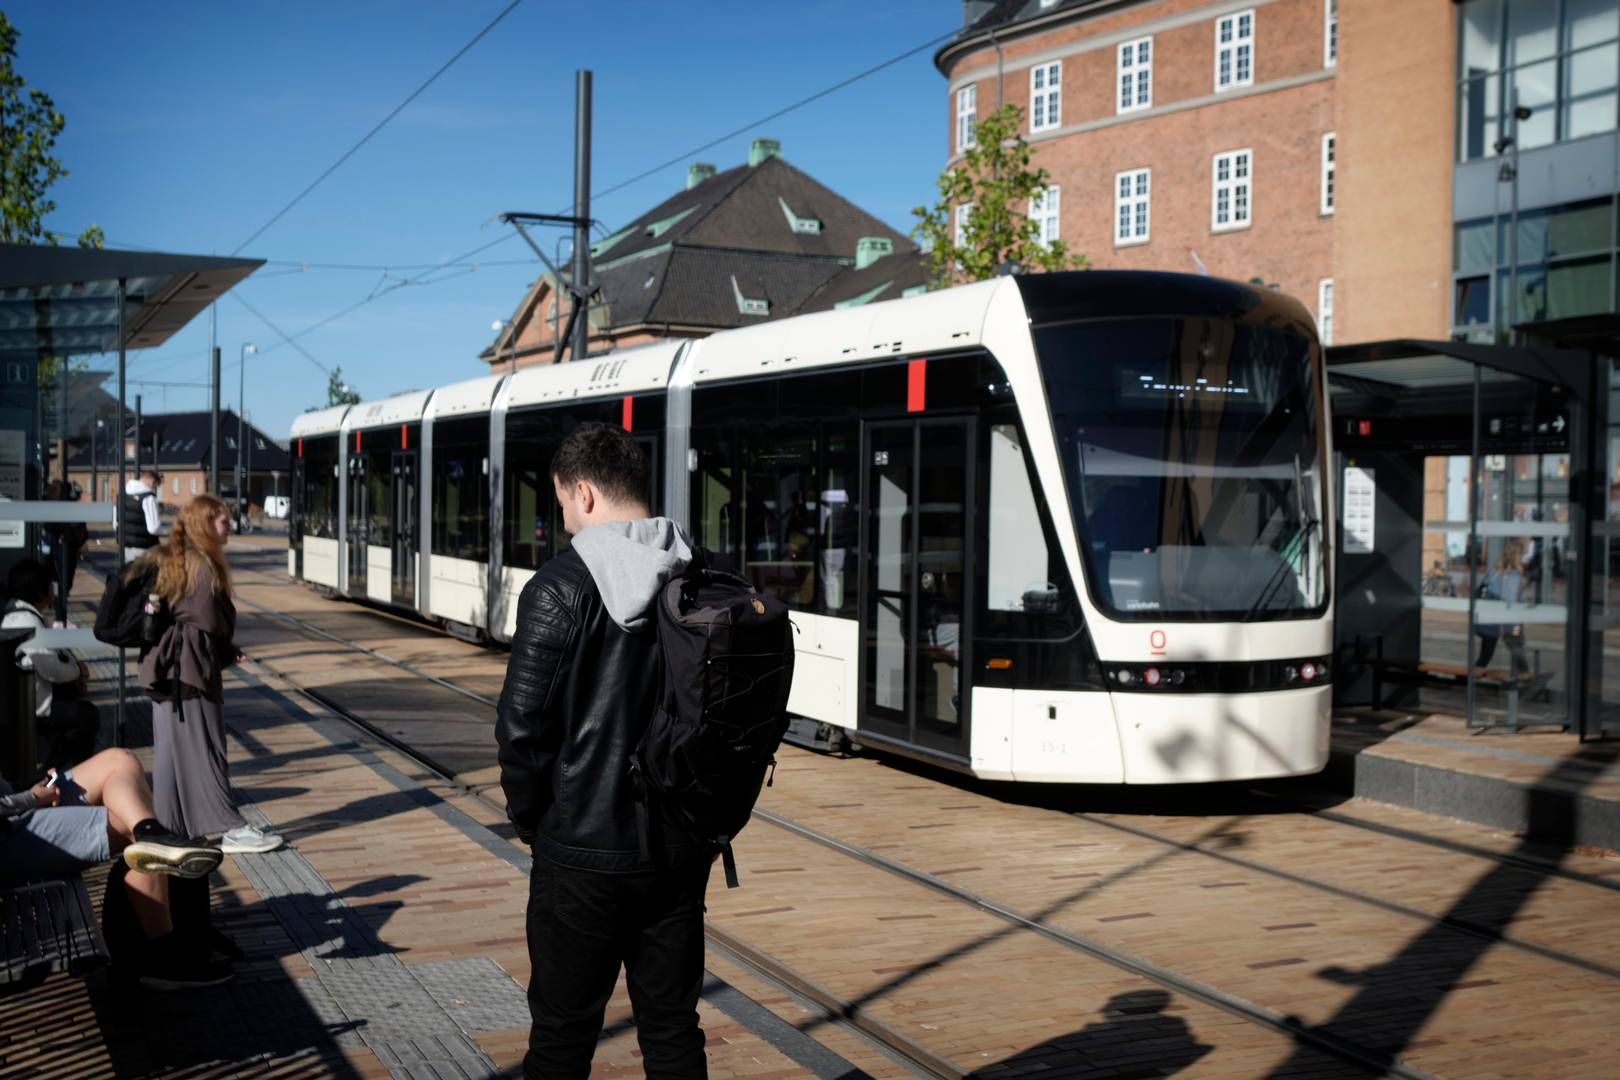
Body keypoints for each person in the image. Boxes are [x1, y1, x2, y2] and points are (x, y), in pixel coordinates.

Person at [497, 423, 713, 1079]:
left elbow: (521, 730)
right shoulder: (704, 576)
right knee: (673, 1030)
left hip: (582, 854)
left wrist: (537, 821)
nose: (565, 519)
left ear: (584, 493)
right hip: (678, 848)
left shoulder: (558, 588)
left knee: (562, 1037)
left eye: (563, 502)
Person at [0, 747, 232, 988]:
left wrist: (30, 788)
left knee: (120, 760)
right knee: (129, 822)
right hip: (8, 836)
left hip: (15, 808)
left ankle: (149, 832)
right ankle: (165, 957)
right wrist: (31, 799)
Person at [135, 494, 283, 855]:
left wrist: (224, 649)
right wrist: (224, 644)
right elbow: (209, 619)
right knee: (208, 751)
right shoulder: (201, 567)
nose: (228, 525)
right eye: (222, 520)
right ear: (205, 524)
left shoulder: (177, 559)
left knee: (170, 756)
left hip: (165, 669)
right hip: (189, 670)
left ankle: (171, 828)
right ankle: (229, 828)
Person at [3, 558, 100, 769]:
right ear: (39, 591)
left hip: (23, 701)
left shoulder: (15, 613)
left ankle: (55, 770)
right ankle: (62, 776)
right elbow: (53, 670)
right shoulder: (28, 622)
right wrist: (78, 671)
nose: (53, 591)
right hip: (32, 707)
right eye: (49, 586)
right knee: (86, 716)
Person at [1475, 538, 1529, 676]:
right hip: (1506, 621)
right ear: (1517, 556)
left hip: (1490, 619)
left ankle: (1468, 679)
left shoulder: (1494, 570)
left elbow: (1480, 589)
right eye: (1522, 555)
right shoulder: (1514, 575)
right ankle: (1526, 681)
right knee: (1517, 651)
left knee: (1485, 655)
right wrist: (1517, 624)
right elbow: (1512, 602)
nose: (1523, 558)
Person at [122, 467, 164, 564]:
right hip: (145, 548)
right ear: (152, 482)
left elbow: (115, 524)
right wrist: (167, 530)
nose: (154, 489)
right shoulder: (148, 497)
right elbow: (153, 528)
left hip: (125, 547)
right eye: (155, 486)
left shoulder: (122, 494)